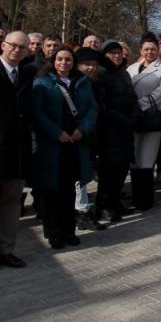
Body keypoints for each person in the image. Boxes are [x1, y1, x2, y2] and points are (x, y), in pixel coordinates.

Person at [29, 46, 97, 249]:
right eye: (60, 59)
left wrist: (82, 129)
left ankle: (69, 231)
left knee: (69, 190)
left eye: (68, 60)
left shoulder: (83, 82)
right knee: (51, 191)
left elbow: (92, 109)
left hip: (74, 143)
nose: (63, 63)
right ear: (53, 61)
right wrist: (56, 133)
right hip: (52, 145)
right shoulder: (42, 82)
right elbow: (37, 113)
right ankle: (54, 233)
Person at [127, 33, 161, 211]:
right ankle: (135, 196)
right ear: (141, 50)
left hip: (151, 116)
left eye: (153, 49)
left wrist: (140, 104)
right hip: (133, 117)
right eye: (146, 49)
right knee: (134, 158)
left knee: (147, 158)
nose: (150, 52)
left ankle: (145, 199)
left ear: (158, 50)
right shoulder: (131, 68)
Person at [94, 40, 137, 222]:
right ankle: (103, 206)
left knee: (122, 168)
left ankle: (115, 202)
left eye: (119, 53)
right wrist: (121, 119)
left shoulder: (124, 73)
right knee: (108, 171)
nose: (117, 56)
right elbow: (101, 105)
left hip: (126, 130)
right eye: (112, 53)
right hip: (110, 131)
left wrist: (134, 115)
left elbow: (133, 97)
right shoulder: (101, 75)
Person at [0, 32, 32, 267]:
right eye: (13, 45)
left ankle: (6, 249)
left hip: (18, 152)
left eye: (23, 47)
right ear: (3, 45)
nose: (17, 50)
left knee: (12, 203)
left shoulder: (27, 75)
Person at [73, 47, 106, 231]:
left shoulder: (94, 83)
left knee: (83, 176)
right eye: (86, 64)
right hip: (75, 134)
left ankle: (83, 211)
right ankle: (81, 212)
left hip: (90, 133)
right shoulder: (75, 83)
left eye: (94, 65)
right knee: (79, 176)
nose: (91, 68)